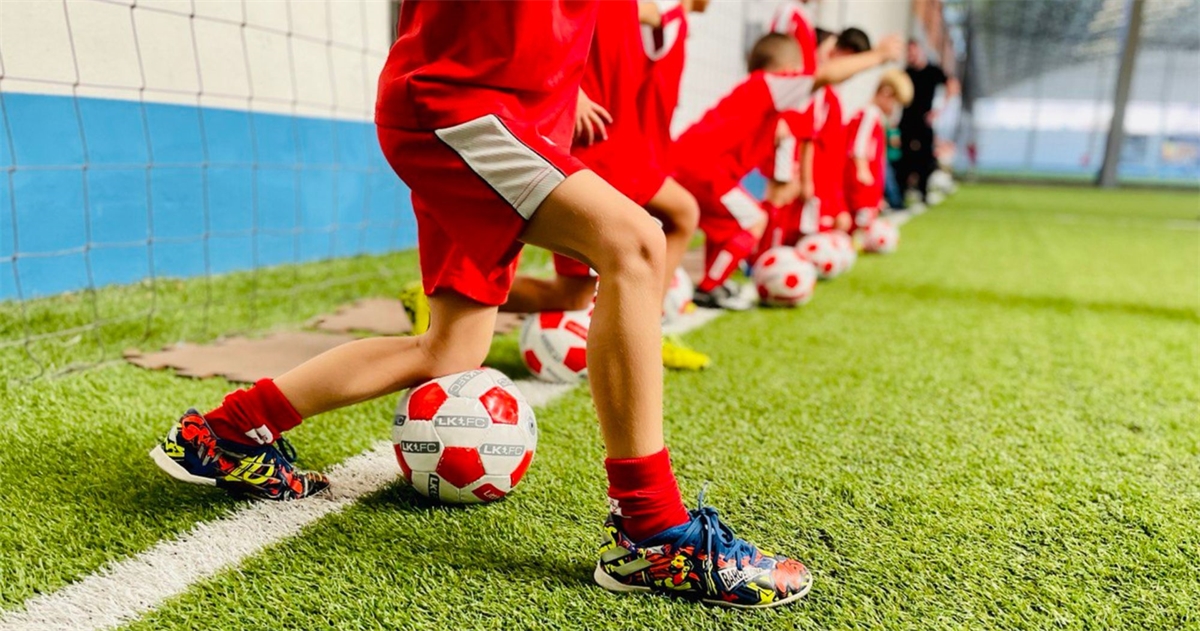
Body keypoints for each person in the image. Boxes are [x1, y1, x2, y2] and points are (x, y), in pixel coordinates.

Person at [148, 0, 812, 609]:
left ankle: (228, 431)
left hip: (501, 116)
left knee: (450, 351)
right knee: (635, 244)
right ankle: (654, 530)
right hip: (459, 108)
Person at [846, 69, 913, 229]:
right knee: (860, 220)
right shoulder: (869, 114)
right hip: (862, 181)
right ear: (885, 93)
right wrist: (862, 171)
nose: (895, 109)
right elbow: (858, 145)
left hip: (871, 181)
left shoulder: (877, 117)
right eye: (895, 103)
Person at [895, 39, 958, 207]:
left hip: (924, 124)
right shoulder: (905, 73)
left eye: (914, 52)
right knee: (904, 160)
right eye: (908, 53)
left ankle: (923, 192)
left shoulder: (933, 71)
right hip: (907, 122)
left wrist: (940, 109)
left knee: (925, 158)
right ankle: (900, 195)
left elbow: (952, 84)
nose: (911, 56)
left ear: (921, 51)